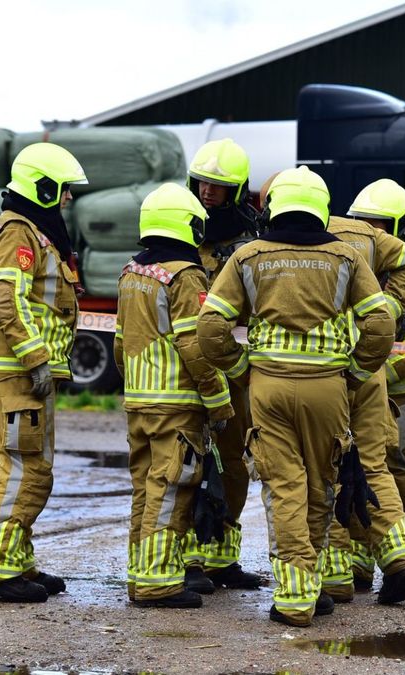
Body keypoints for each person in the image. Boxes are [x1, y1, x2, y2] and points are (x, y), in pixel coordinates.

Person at [196, 167, 399, 627]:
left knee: (283, 486)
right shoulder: (346, 257)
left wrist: (241, 369)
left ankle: (294, 597)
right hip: (328, 389)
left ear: (273, 207)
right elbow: (381, 324)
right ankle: (313, 583)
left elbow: (210, 328)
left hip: (267, 387)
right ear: (321, 208)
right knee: (320, 485)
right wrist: (357, 371)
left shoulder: (249, 256)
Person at [0, 143, 87, 602]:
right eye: (63, 191)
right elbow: (7, 298)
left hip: (19, 369)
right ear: (42, 187)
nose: (68, 200)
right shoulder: (19, 232)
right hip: (18, 369)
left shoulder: (32, 233)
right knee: (26, 470)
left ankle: (17, 561)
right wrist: (36, 356)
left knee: (18, 465)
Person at [114, 183, 235, 608]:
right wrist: (217, 397)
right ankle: (159, 582)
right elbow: (193, 345)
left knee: (145, 490)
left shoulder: (131, 272)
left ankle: (139, 575)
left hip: (138, 400)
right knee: (171, 489)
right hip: (176, 404)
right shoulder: (186, 275)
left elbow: (119, 342)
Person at [318, 190, 405, 604]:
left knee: (321, 470)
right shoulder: (364, 241)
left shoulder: (296, 243)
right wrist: (373, 363)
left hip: (328, 373)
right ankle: (399, 560)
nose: (375, 230)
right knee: (374, 467)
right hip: (369, 377)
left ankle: (334, 577)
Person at [342, 179, 405, 596]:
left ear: (400, 228)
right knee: (353, 471)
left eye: (381, 226)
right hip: (353, 386)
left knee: (399, 474)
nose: (373, 235)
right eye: (365, 225)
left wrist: (376, 372)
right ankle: (358, 563)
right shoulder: (346, 263)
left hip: (400, 396)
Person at [180, 138, 262, 592]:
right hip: (188, 367)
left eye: (217, 186)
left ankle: (222, 557)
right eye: (202, 183)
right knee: (187, 462)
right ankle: (188, 558)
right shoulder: (179, 232)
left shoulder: (251, 243)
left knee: (233, 461)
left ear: (236, 191)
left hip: (236, 370)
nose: (207, 193)